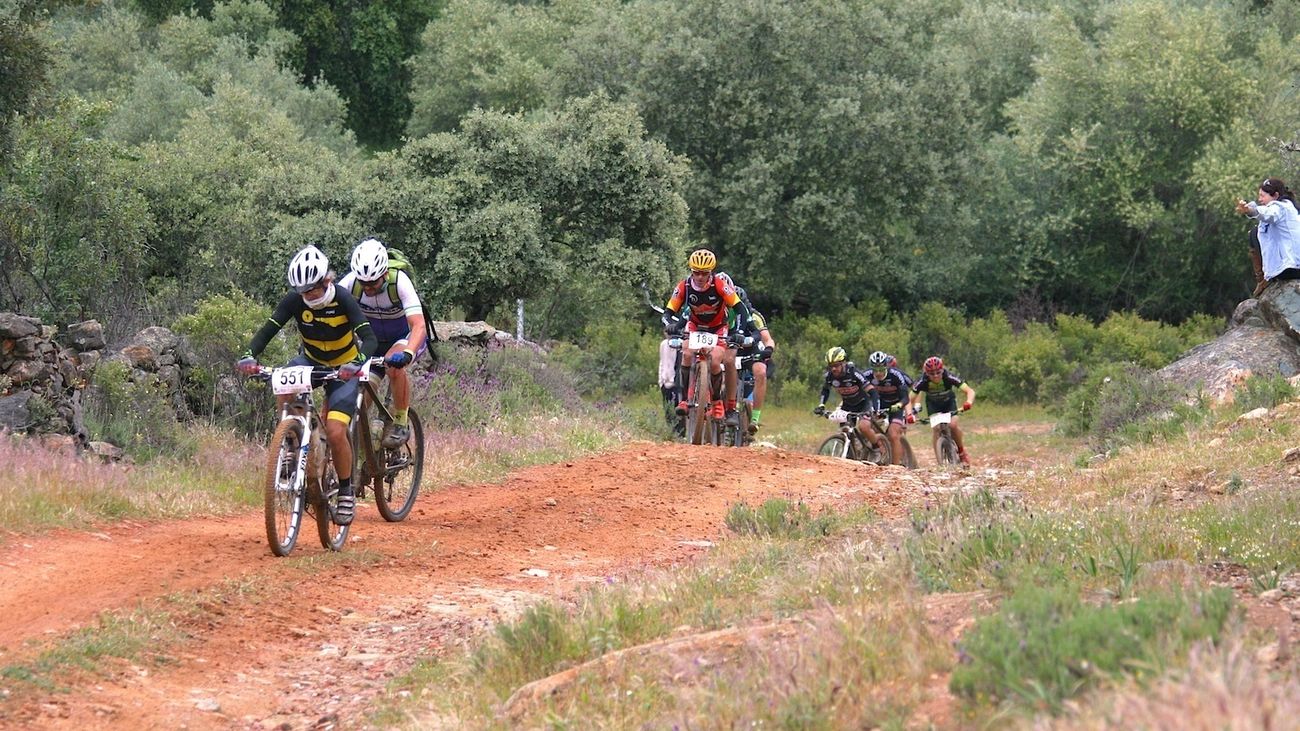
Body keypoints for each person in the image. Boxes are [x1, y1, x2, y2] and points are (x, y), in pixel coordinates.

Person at [237, 245, 377, 526]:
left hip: (343, 368)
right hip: (311, 362)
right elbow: (269, 329)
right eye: (302, 292)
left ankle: (347, 490)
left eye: (311, 290)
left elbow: (369, 338)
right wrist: (250, 354)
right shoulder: (295, 300)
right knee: (283, 381)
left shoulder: (343, 298)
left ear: (326, 281)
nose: (307, 296)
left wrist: (357, 362)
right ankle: (291, 442)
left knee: (337, 431)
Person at [338, 238, 429, 449]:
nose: (368, 288)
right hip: (372, 342)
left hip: (403, 339)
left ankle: (400, 422)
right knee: (363, 391)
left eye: (373, 283)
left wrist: (407, 353)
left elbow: (418, 326)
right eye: (364, 283)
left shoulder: (399, 282)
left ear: (385, 274)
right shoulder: (351, 283)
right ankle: (363, 449)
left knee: (394, 368)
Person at [663, 249, 755, 427]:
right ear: (691, 271)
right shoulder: (684, 286)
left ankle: (717, 402)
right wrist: (671, 324)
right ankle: (684, 399)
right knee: (688, 354)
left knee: (715, 362)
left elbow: (740, 308)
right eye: (696, 273)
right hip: (695, 326)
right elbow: (668, 312)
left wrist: (740, 332)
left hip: (718, 328)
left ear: (710, 272)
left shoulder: (720, 285)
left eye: (704, 273)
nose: (699, 277)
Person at [1235, 177, 1300, 298]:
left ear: (1275, 195)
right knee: (1257, 231)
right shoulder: (1292, 208)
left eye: (1262, 196)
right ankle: (1262, 278)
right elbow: (1264, 213)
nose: (1260, 199)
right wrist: (1251, 208)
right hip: (1296, 264)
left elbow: (1269, 213)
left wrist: (1249, 210)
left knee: (1253, 234)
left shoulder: (1280, 208)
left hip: (1290, 268)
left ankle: (1261, 279)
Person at [907, 356, 976, 467]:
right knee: (936, 428)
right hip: (933, 405)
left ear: (942, 370)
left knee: (953, 425)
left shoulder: (948, 376)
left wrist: (969, 402)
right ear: (926, 373)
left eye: (938, 372)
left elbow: (969, 391)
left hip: (949, 402)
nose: (935, 376)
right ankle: (939, 460)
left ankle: (961, 451)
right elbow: (909, 400)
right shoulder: (922, 381)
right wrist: (910, 414)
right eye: (931, 373)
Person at [814, 346, 883, 451]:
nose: (833, 369)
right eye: (830, 366)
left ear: (844, 363)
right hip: (847, 405)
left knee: (863, 427)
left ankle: (876, 449)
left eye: (836, 365)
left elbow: (872, 391)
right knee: (845, 431)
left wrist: (875, 410)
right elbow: (825, 390)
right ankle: (851, 455)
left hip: (863, 404)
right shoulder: (830, 376)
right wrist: (821, 405)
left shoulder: (854, 374)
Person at [733, 287, 776, 433]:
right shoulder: (725, 313)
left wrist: (768, 350)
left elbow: (768, 339)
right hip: (732, 349)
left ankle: (755, 418)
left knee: (761, 371)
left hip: (752, 349)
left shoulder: (755, 316)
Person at [864, 350, 913, 466]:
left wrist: (900, 405)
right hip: (878, 405)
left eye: (881, 369)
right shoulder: (866, 375)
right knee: (869, 428)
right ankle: (878, 452)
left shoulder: (896, 375)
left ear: (887, 366)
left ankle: (895, 467)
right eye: (875, 370)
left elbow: (905, 398)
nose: (878, 373)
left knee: (893, 434)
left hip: (896, 406)